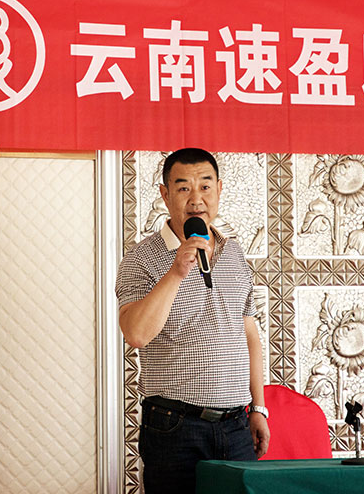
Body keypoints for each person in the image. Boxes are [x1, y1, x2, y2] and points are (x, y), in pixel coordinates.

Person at [116, 148, 270, 494]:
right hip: (175, 428)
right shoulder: (140, 259)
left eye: (205, 186)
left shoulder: (234, 253)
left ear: (219, 190)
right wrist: (176, 272)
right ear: (165, 194)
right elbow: (136, 334)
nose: (196, 199)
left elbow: (248, 334)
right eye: (183, 187)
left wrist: (258, 408)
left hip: (236, 425)